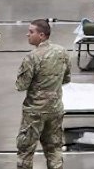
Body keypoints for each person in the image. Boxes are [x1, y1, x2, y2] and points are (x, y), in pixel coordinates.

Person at [15, 19, 71, 169]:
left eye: (31, 32)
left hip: (34, 111)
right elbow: (66, 78)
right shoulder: (62, 52)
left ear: (41, 35)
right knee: (54, 148)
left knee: (26, 150)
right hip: (55, 108)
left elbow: (21, 85)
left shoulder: (32, 57)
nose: (27, 34)